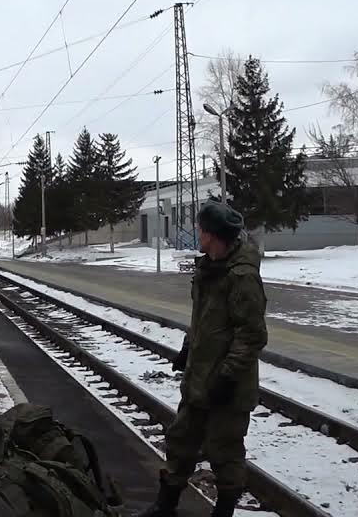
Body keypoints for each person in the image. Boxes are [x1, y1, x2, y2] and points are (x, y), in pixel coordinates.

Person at [136, 200, 268, 517]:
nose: (197, 234)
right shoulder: (209, 268)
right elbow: (206, 321)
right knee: (180, 441)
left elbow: (251, 335)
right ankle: (164, 507)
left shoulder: (242, 277)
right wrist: (188, 348)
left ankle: (222, 513)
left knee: (225, 453)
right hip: (200, 378)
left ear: (212, 235)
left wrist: (226, 377)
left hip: (227, 386)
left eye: (201, 230)